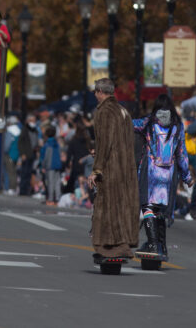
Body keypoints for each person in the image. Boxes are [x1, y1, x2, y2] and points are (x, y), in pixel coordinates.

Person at [133, 95, 192, 261]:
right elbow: (181, 154)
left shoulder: (149, 123)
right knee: (159, 209)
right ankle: (162, 246)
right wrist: (187, 176)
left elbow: (130, 125)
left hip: (151, 171)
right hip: (169, 173)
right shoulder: (177, 126)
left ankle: (152, 243)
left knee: (148, 207)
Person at [87, 77, 140, 262]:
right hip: (126, 167)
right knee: (123, 206)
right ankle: (123, 244)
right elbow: (125, 141)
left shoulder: (104, 111)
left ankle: (111, 248)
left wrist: (97, 169)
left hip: (111, 168)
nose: (95, 94)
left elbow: (106, 141)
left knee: (108, 207)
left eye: (96, 91)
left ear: (101, 92)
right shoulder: (123, 111)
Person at [40, 125, 63, 205]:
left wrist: (43, 166)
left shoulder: (46, 145)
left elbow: (44, 157)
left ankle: (50, 199)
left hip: (49, 166)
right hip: (58, 165)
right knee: (57, 182)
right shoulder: (57, 144)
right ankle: (58, 198)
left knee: (50, 183)